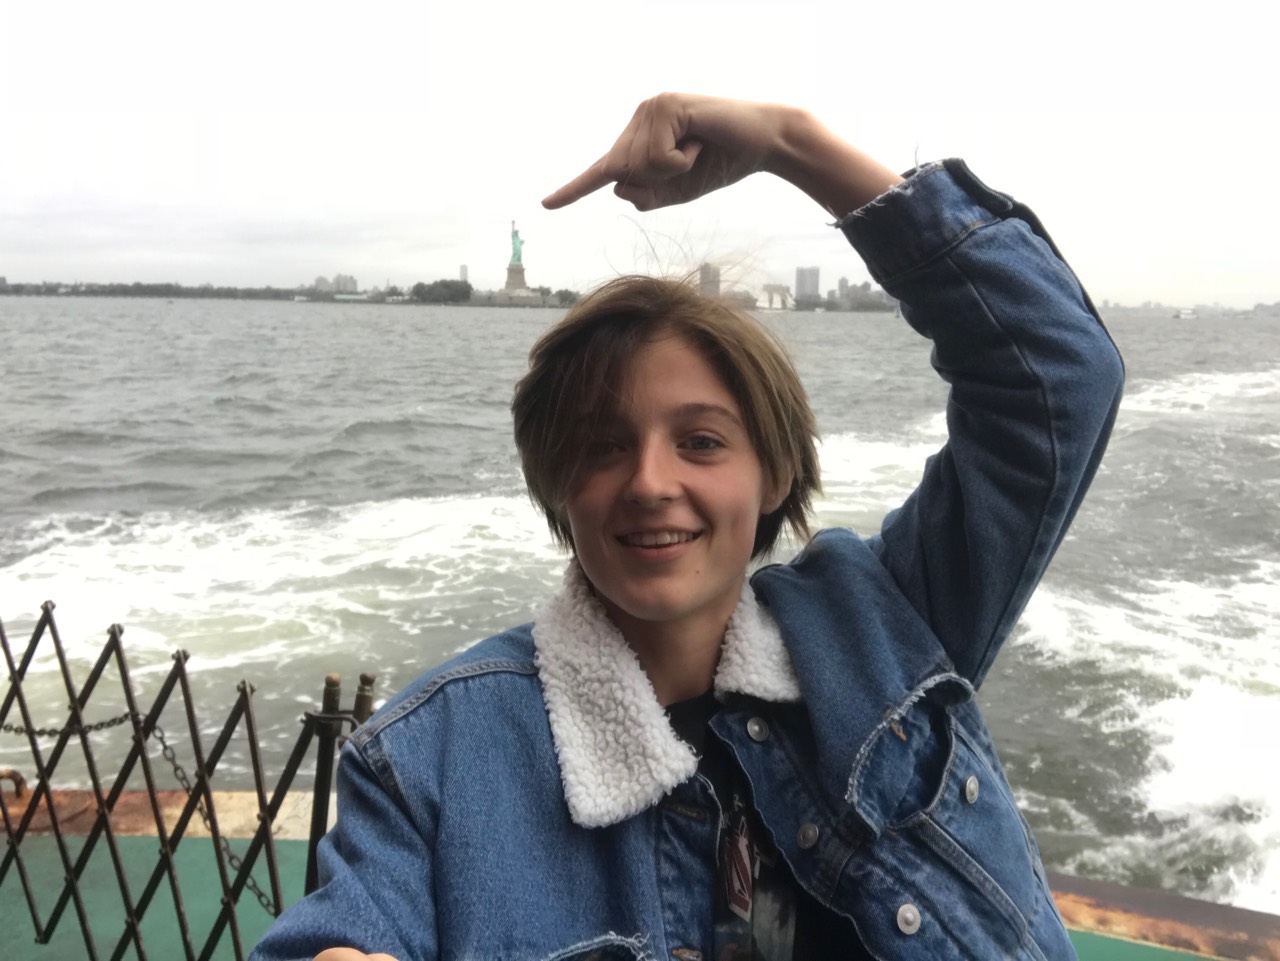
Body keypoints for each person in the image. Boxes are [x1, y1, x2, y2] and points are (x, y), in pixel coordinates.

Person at [251, 93, 1124, 961]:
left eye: (701, 441)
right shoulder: (435, 755)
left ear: (775, 471)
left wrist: (790, 142)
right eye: (602, 447)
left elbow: (1057, 375)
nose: (649, 482)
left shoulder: (883, 633)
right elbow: (346, 933)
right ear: (557, 483)